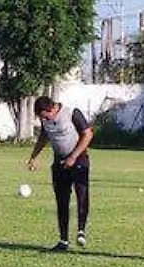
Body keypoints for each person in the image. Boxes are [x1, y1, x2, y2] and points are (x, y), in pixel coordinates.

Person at [26, 96, 95, 251]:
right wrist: (34, 157)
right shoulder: (45, 120)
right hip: (59, 163)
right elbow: (43, 137)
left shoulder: (72, 113)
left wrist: (73, 156)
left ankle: (81, 231)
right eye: (41, 117)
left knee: (82, 195)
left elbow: (88, 134)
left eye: (45, 115)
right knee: (61, 201)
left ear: (52, 109)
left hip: (79, 160)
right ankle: (63, 240)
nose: (44, 119)